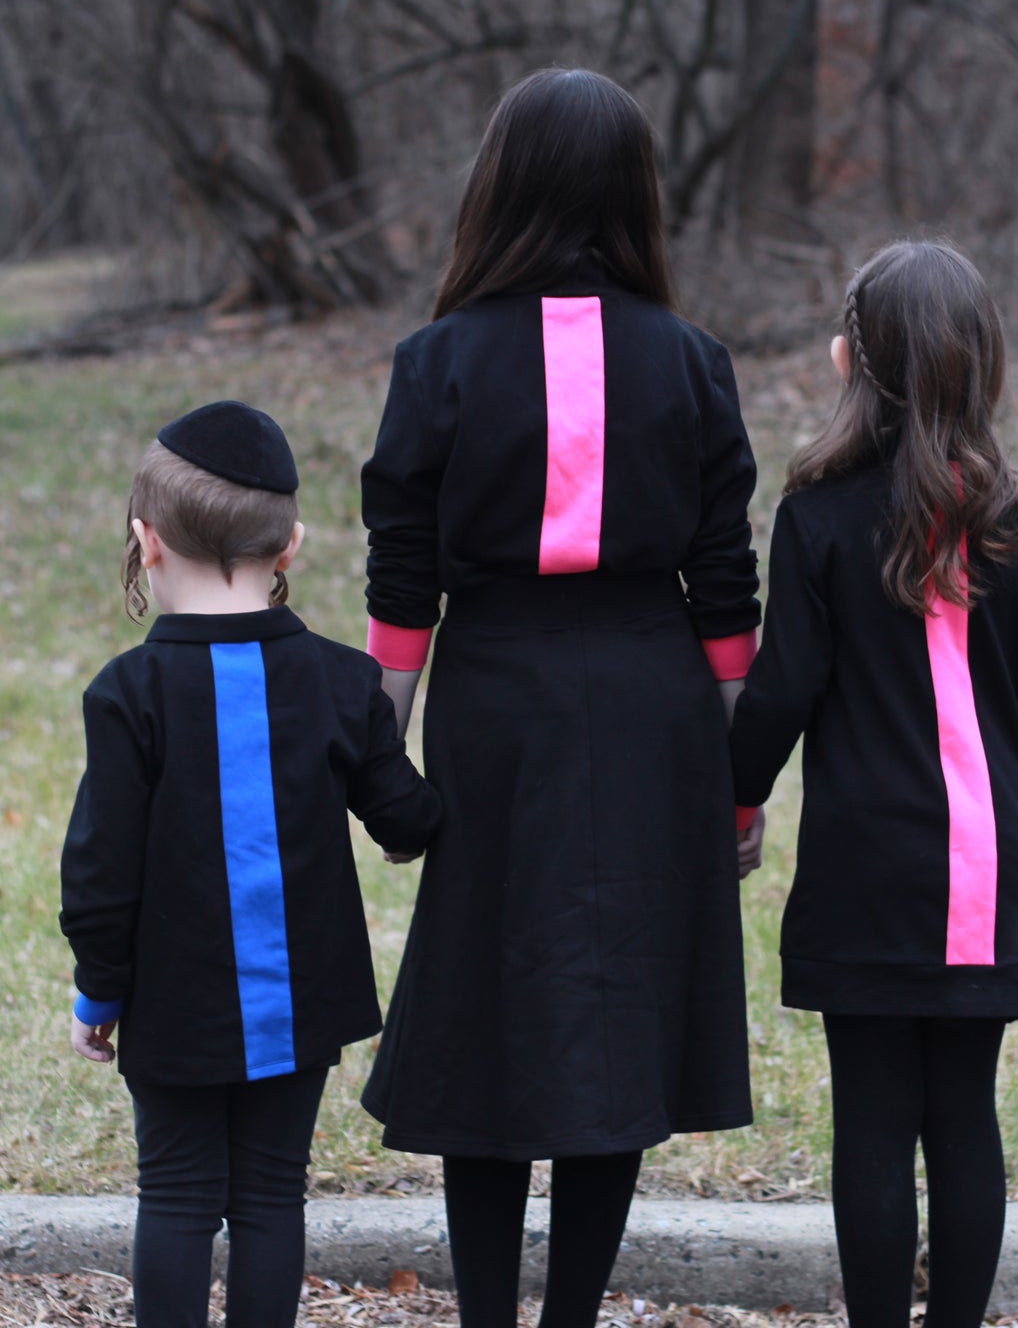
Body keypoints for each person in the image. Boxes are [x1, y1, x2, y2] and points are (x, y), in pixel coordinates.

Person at [359, 68, 762, 1328]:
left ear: (500, 188)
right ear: (637, 195)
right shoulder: (693, 363)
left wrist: (383, 759)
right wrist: (739, 784)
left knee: (485, 1018)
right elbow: (725, 588)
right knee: (620, 1019)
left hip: (496, 706)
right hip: (655, 709)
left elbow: (405, 583)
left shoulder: (436, 362)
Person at [729, 241, 1018, 1328]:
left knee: (873, 1123)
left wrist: (735, 808)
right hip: (983, 867)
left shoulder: (819, 516)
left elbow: (782, 690)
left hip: (863, 866)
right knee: (965, 1118)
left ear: (853, 360)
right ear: (985, 360)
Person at [60, 401, 443, 1328]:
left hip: (172, 1002)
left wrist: (99, 993)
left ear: (146, 542)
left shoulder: (128, 693)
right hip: (300, 1002)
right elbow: (405, 815)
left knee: (177, 1191)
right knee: (273, 1192)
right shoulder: (343, 680)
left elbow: (99, 875)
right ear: (290, 546)